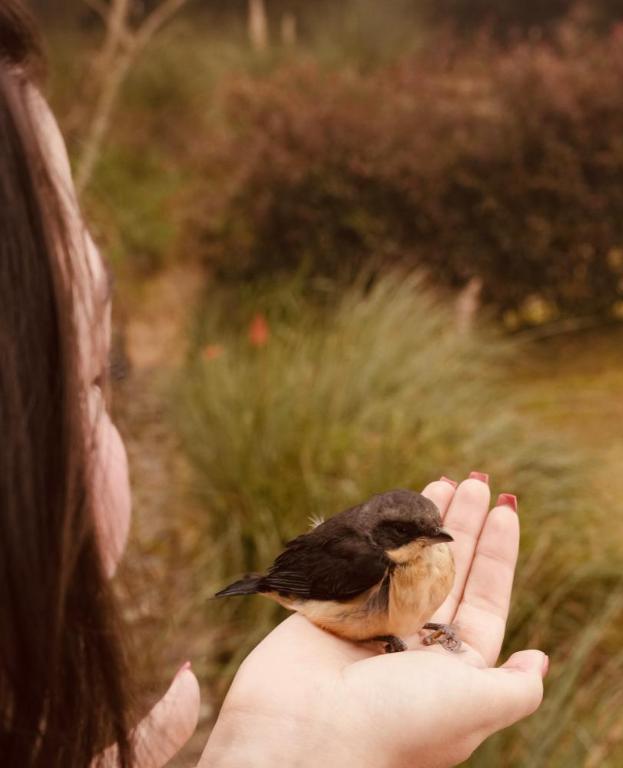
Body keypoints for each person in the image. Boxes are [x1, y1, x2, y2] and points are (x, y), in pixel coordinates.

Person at [0, 3, 546, 766]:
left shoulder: (429, 560)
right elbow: (306, 587)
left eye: (105, 373)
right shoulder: (356, 563)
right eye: (83, 380)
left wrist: (290, 748)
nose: (119, 449)